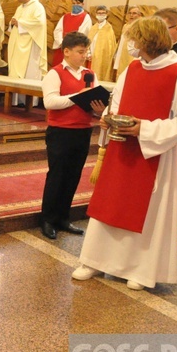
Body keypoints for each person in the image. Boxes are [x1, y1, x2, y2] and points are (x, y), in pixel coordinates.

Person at [72, 16, 177, 291]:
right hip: (121, 147)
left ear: (148, 42)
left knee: (147, 210)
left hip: (154, 153)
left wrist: (145, 129)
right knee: (109, 202)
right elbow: (116, 102)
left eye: (135, 39)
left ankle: (140, 270)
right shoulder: (132, 69)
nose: (131, 45)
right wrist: (108, 117)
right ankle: (94, 259)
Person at [39, 32, 105, 239]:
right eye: (80, 51)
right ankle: (48, 219)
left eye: (86, 51)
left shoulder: (89, 74)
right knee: (57, 175)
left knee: (73, 175)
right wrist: (79, 96)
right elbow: (50, 102)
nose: (84, 55)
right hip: (61, 132)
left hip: (83, 130)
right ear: (66, 52)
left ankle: (63, 218)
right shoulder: (55, 73)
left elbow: (93, 106)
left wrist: (98, 108)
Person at [7, 0, 48, 106]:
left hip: (30, 45)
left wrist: (19, 23)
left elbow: (39, 23)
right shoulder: (20, 7)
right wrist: (13, 22)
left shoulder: (37, 7)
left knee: (29, 70)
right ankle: (16, 100)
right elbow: (14, 21)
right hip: (18, 44)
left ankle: (28, 102)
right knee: (16, 70)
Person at [52, 0, 92, 68]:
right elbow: (57, 31)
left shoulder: (86, 17)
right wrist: (61, 43)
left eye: (78, 3)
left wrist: (70, 45)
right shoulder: (65, 16)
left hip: (75, 49)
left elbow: (82, 33)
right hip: (62, 48)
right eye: (73, 3)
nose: (75, 5)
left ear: (82, 4)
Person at [87, 5, 117, 82]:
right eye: (99, 13)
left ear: (106, 15)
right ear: (96, 14)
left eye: (103, 13)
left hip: (103, 57)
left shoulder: (109, 28)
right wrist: (88, 53)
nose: (101, 15)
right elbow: (88, 42)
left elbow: (110, 46)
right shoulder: (94, 27)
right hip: (91, 57)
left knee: (100, 76)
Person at [114, 5, 142, 77]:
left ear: (139, 15)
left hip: (132, 56)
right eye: (130, 13)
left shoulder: (141, 27)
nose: (131, 15)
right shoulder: (125, 26)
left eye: (134, 13)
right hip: (122, 55)